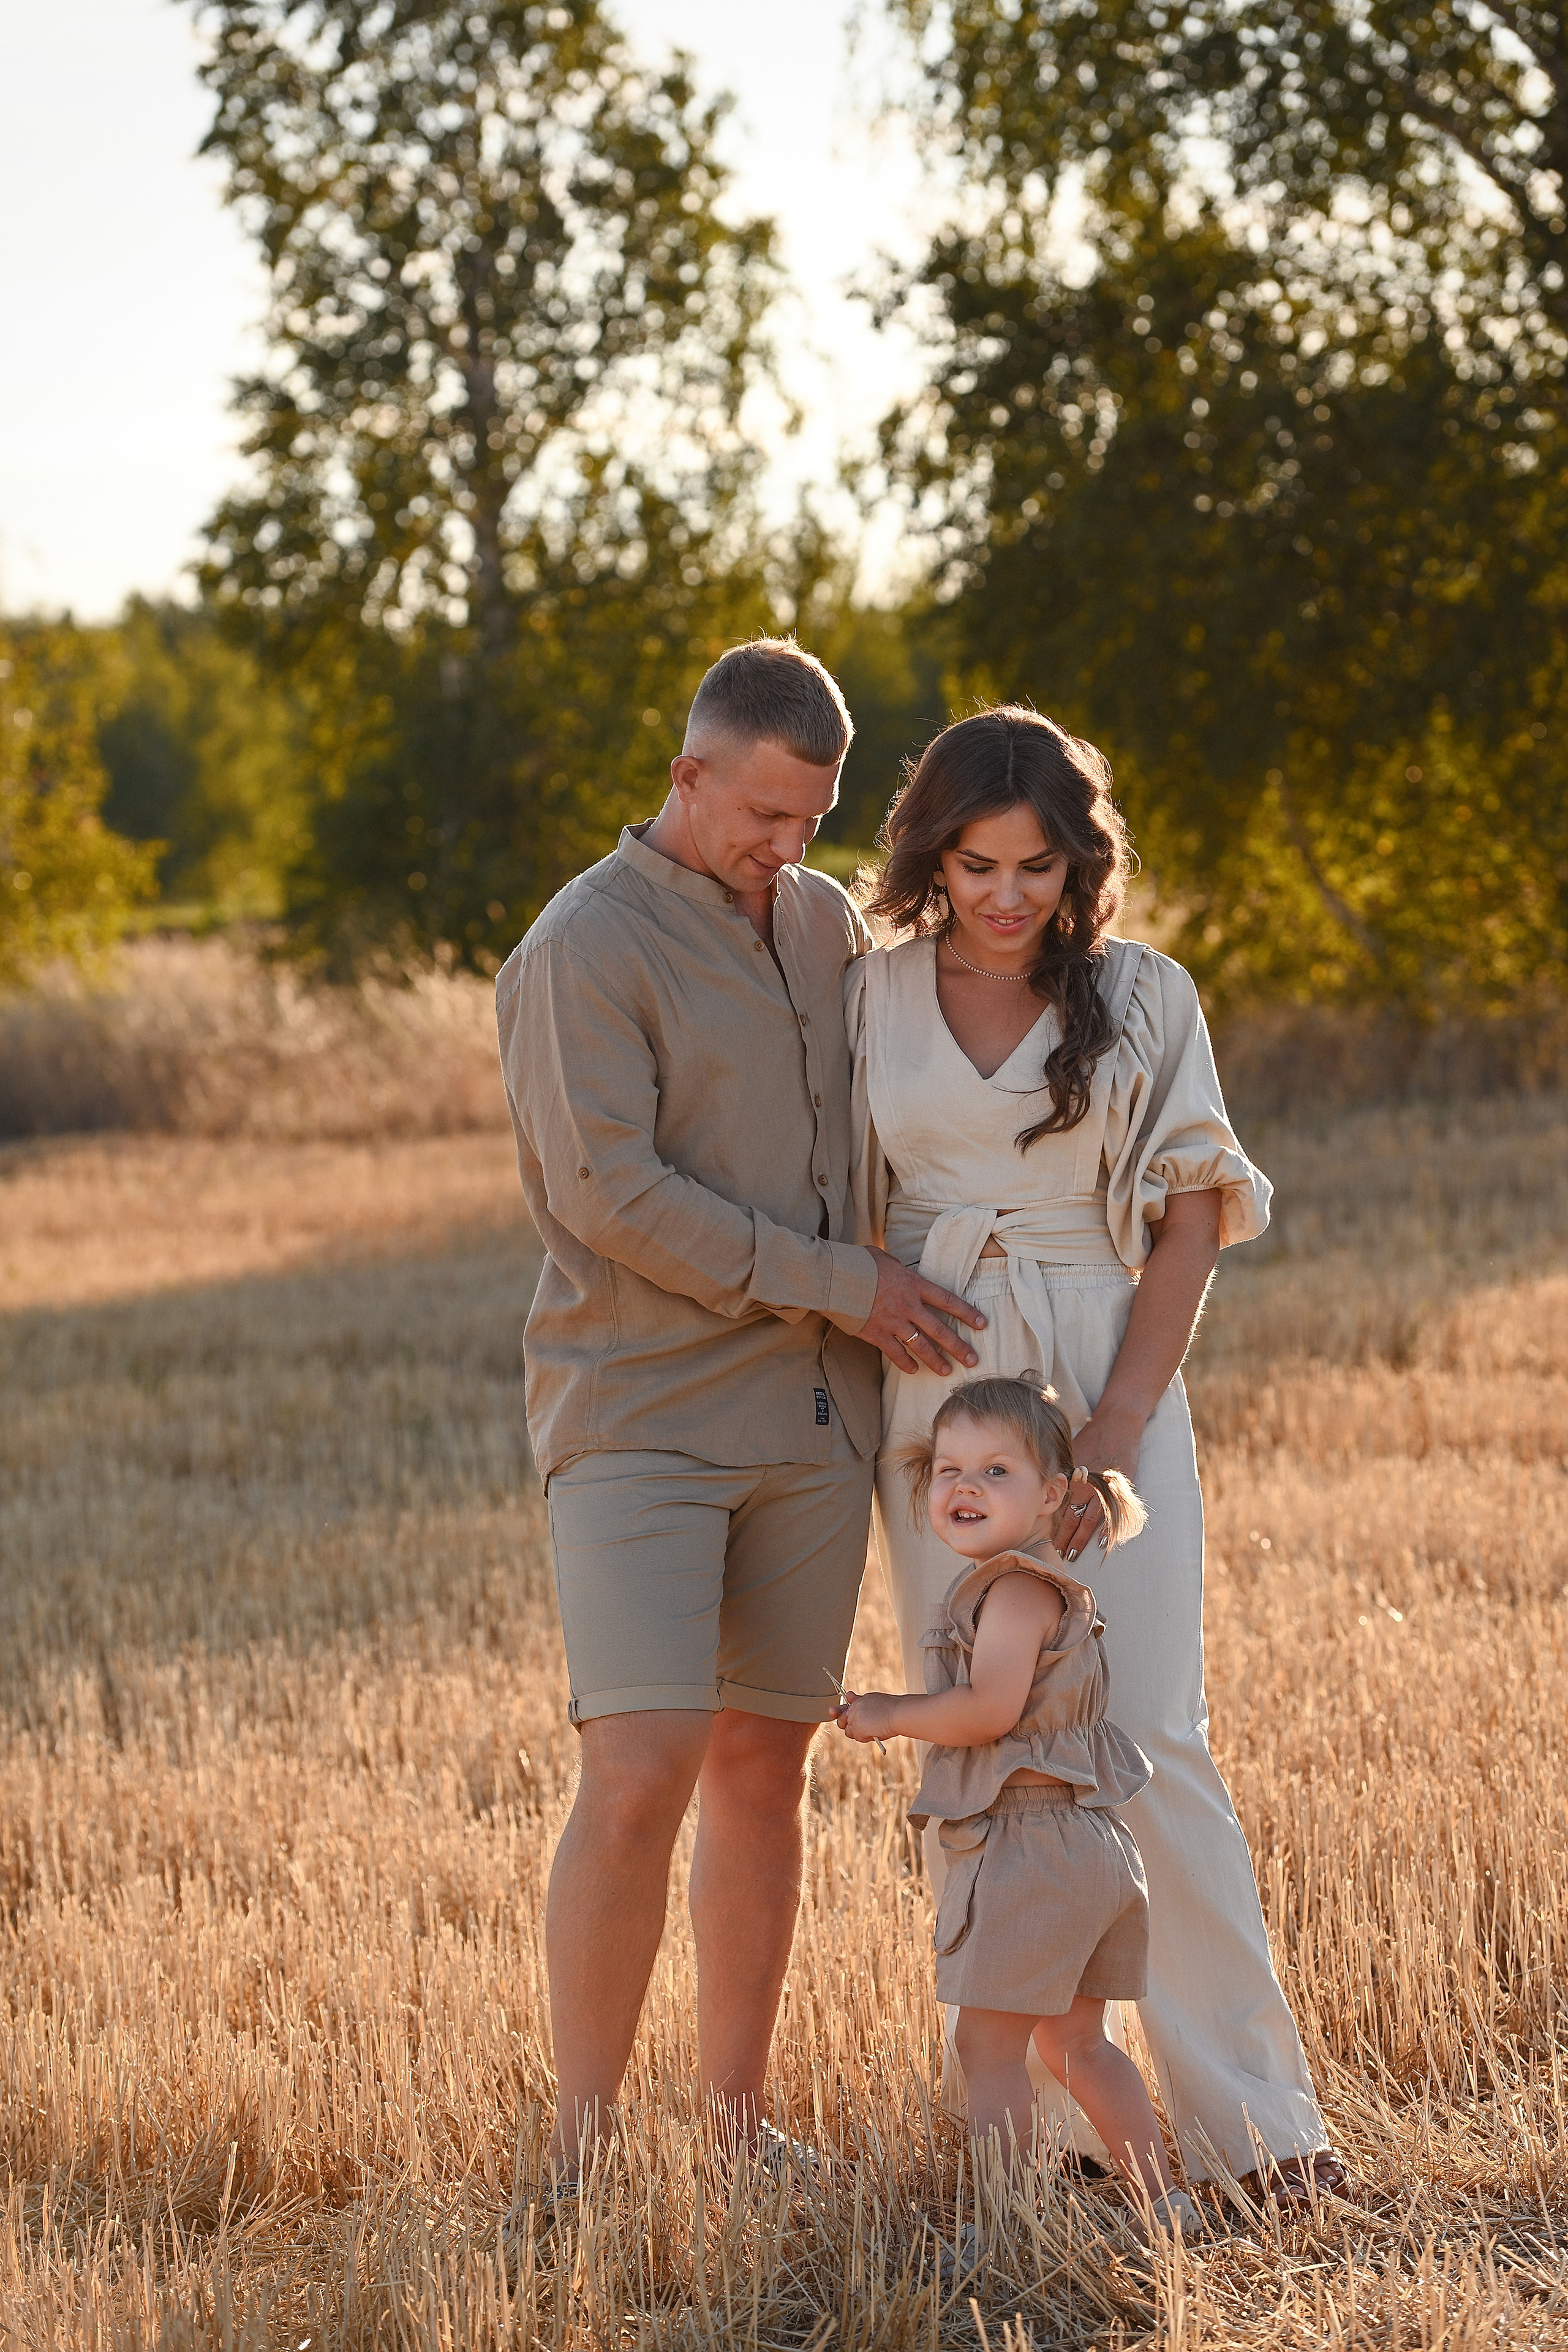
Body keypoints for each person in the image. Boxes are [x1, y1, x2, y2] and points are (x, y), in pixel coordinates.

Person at [494, 638, 986, 2207]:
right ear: (686, 775)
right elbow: (611, 1195)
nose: (787, 846)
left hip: (813, 1420)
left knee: (765, 1768)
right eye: (763, 815)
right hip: (637, 1411)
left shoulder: (825, 922)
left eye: (811, 819)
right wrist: (841, 1283)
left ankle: (732, 2126)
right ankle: (578, 2159)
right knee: (639, 1766)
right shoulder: (580, 947)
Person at [844, 703, 1346, 2204]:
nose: (1006, 897)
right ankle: (1061, 2132)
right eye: (975, 865)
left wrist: (1114, 1428)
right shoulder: (866, 994)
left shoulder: (1144, 992)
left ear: (1080, 864)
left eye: (1037, 867)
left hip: (1099, 1355)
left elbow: (1191, 1218)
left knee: (1149, 1734)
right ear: (931, 859)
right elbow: (830, 1194)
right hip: (937, 1388)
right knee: (987, 1736)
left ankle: (1260, 2133)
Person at [837, 1374, 1207, 2240]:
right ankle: (1166, 2204)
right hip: (1088, 1843)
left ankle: (1004, 2227)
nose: (965, 1486)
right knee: (1076, 2045)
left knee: (988, 2048)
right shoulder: (1034, 1586)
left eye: (996, 1471)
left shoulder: (1012, 1591)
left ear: (1052, 1495)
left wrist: (890, 1713)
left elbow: (990, 1710)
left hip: (1034, 1844)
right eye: (949, 1469)